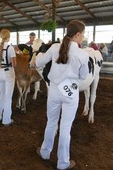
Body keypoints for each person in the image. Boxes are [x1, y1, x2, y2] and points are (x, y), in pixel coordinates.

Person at [35, 20, 89, 170]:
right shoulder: (82, 54)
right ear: (77, 35)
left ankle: (45, 152)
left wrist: (36, 56)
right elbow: (83, 76)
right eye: (83, 34)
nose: (83, 37)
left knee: (51, 122)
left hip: (54, 90)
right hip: (70, 92)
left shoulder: (54, 47)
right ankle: (63, 163)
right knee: (65, 127)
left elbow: (39, 63)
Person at [0, 29, 16, 126]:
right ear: (8, 37)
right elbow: (14, 64)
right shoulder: (10, 48)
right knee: (8, 97)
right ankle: (6, 120)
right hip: (8, 72)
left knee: (2, 95)